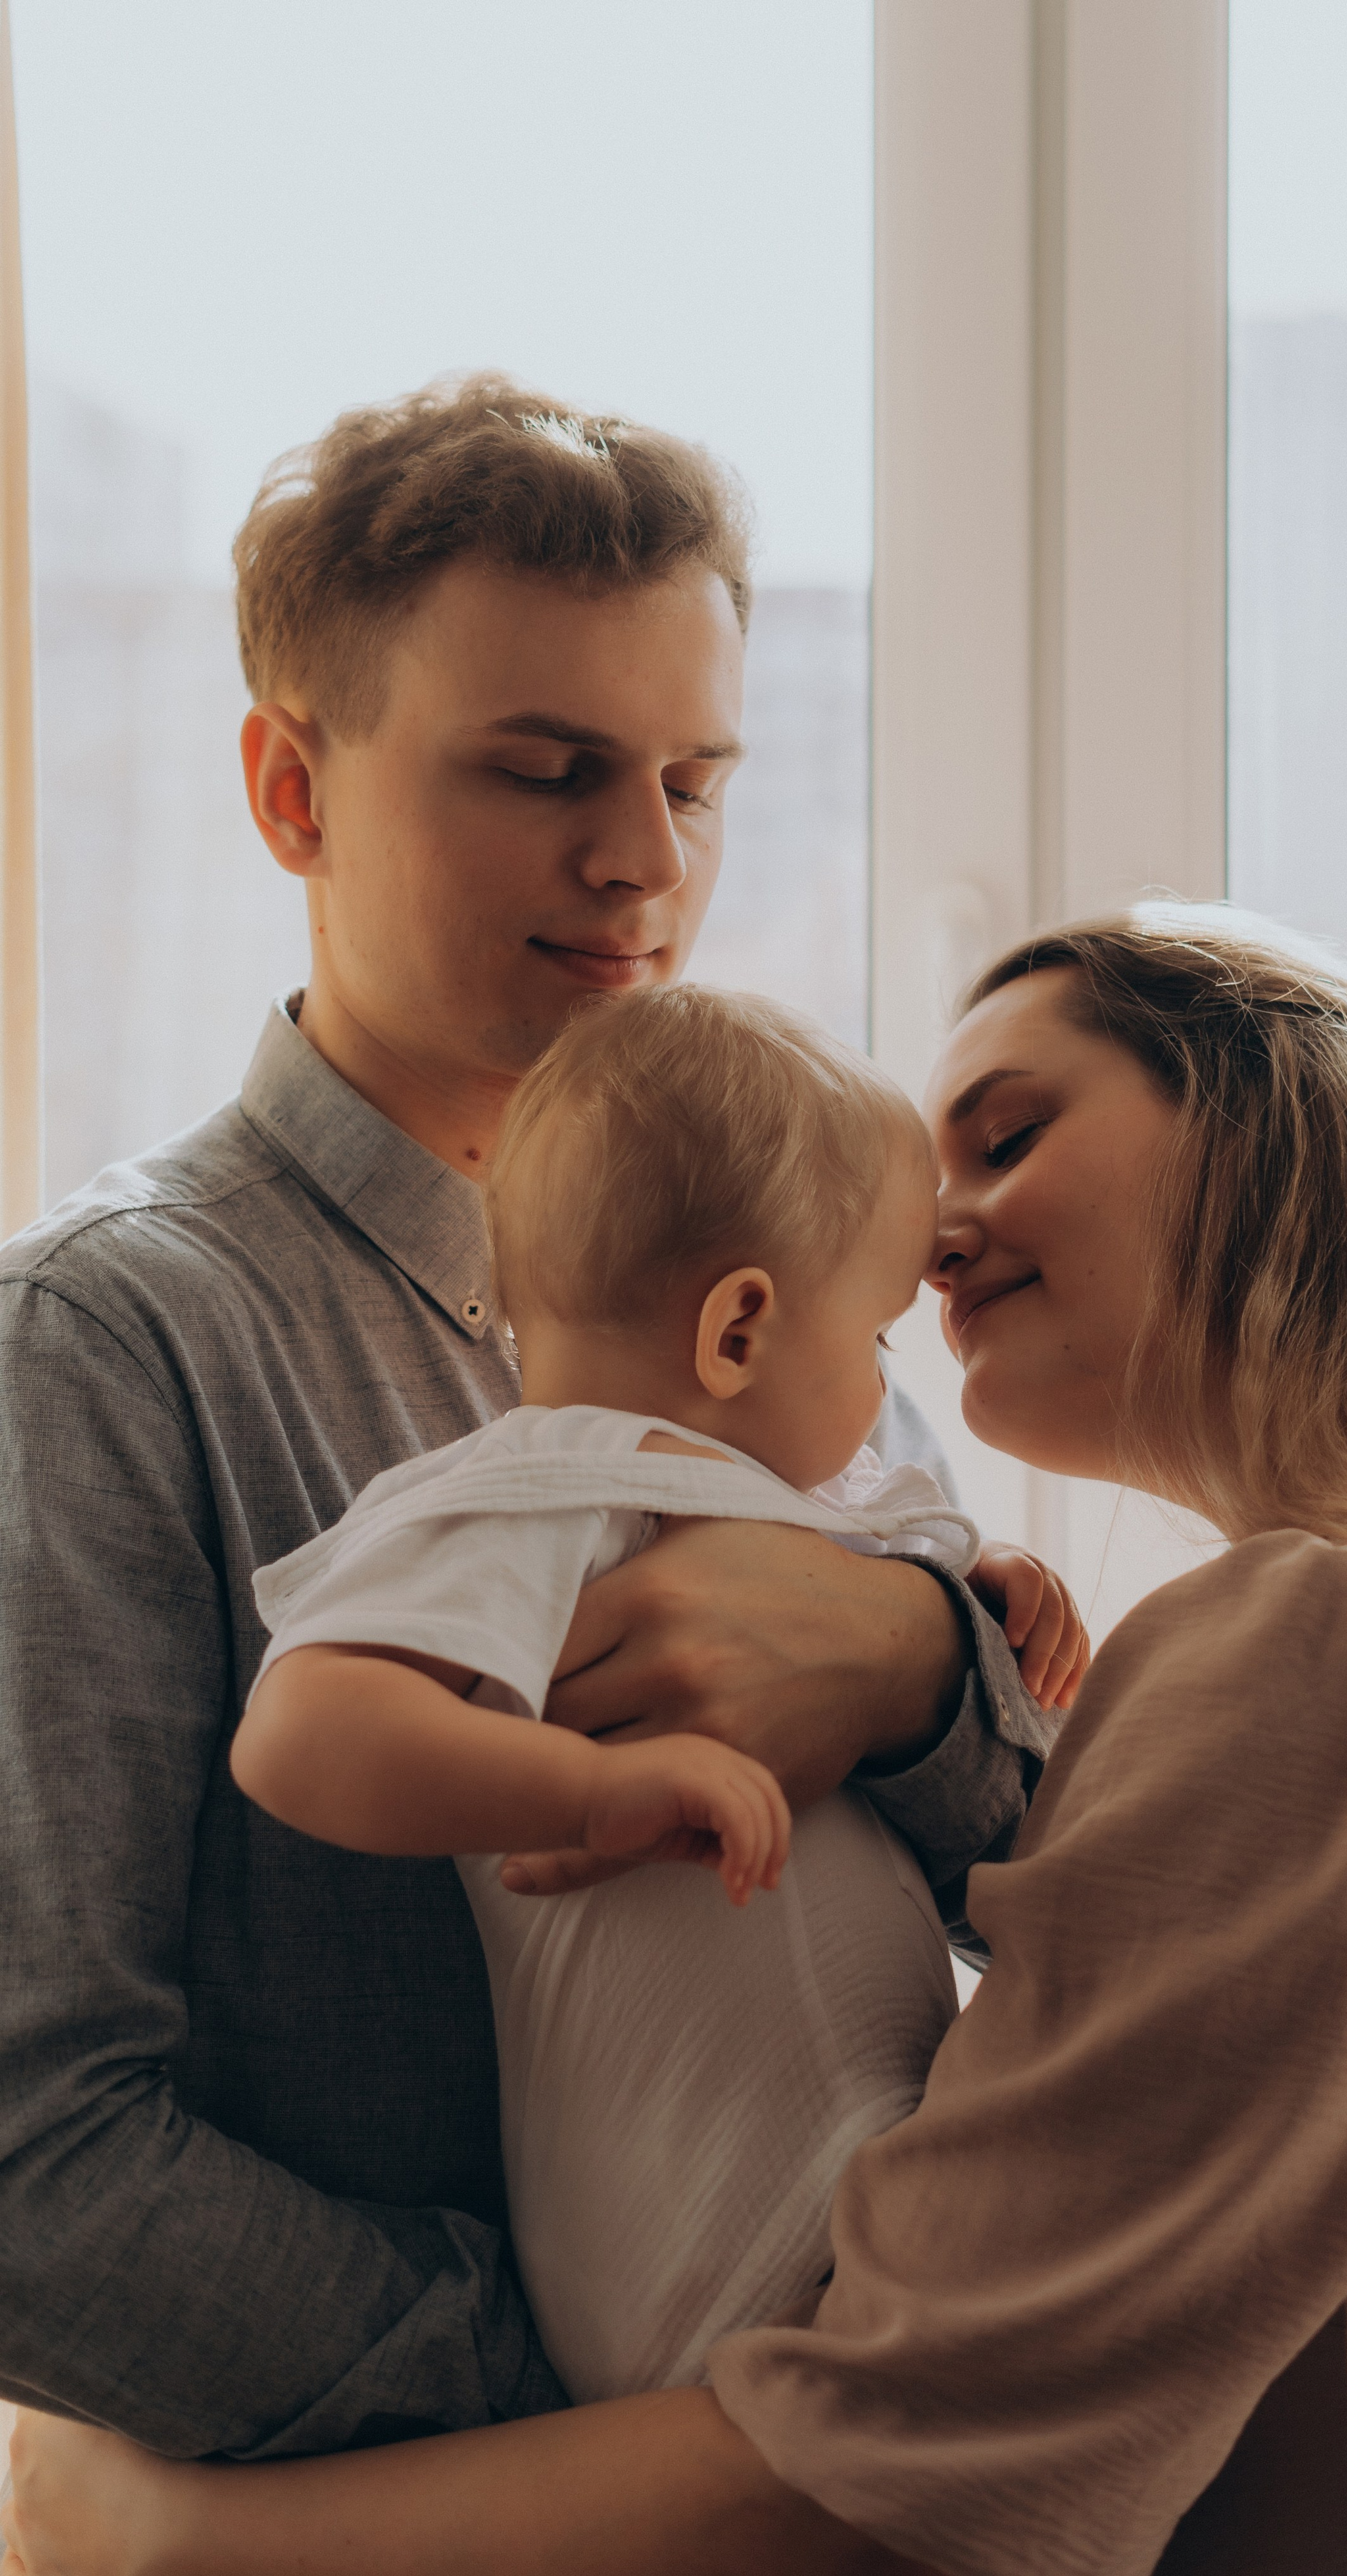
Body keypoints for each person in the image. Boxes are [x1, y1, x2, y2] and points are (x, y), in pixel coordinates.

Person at [11, 905, 1347, 2576]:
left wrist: (175, 2546)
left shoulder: (1346, 1645)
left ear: (1262, 1129)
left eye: (1007, 1135)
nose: (937, 1238)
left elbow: (873, 2497)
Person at [0, 379, 1050, 2459]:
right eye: (550, 769)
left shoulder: (786, 1256)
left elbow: (1028, 1880)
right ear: (291, 789)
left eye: (695, 776)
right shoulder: (103, 1353)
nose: (651, 860)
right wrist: (600, 2413)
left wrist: (920, 1665)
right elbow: (33, 2165)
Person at [233, 982, 1081, 2408]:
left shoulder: (802, 1508)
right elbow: (299, 1735)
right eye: (874, 1340)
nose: (883, 1389)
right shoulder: (530, 1495)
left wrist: (984, 1578)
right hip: (704, 2246)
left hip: (879, 2187)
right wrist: (597, 1786)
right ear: (736, 1332)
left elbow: (894, 1538)